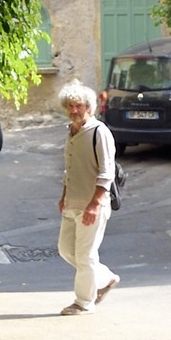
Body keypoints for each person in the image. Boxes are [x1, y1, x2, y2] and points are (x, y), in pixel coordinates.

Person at [56, 78, 118, 314]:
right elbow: (69, 169)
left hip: (92, 205)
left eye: (79, 106)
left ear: (89, 107)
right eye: (70, 106)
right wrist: (64, 196)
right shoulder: (71, 131)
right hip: (72, 202)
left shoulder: (99, 133)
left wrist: (94, 204)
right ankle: (105, 278)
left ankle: (83, 302)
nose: (74, 110)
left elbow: (106, 172)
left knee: (85, 255)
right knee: (66, 250)